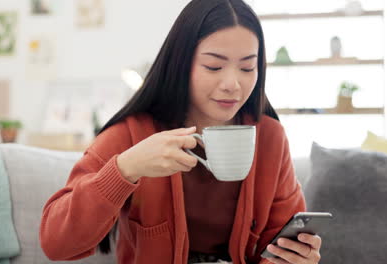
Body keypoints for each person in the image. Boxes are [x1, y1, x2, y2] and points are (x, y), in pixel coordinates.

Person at [39, 0, 323, 263]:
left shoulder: (269, 137)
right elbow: (56, 243)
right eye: (214, 66)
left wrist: (294, 258)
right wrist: (125, 169)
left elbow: (278, 245)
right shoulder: (131, 134)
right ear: (180, 63)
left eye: (247, 68)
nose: (233, 84)